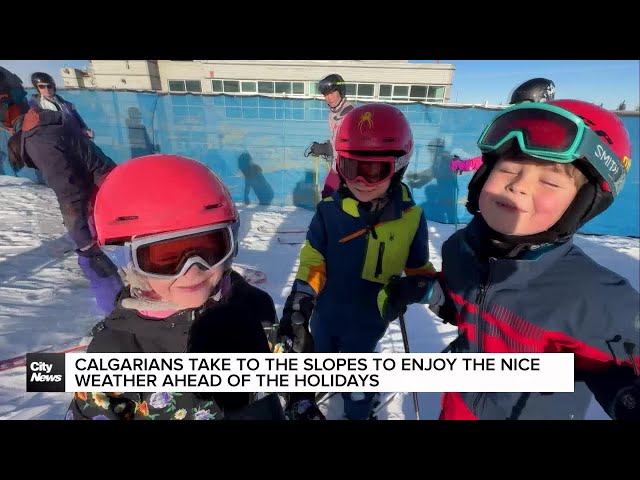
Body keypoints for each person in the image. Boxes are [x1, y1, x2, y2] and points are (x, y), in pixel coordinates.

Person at [433, 99, 640, 420]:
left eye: (549, 181)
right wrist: (434, 292)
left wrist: (623, 389)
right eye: (507, 169)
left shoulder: (599, 298)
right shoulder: (459, 251)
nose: (518, 186)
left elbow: (620, 359)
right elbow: (466, 306)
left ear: (582, 205)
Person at [65, 154, 284, 420]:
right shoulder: (116, 352)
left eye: (209, 248)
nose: (193, 270)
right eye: (165, 257)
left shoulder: (253, 305)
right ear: (125, 259)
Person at [277, 103, 442, 420]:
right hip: (325, 314)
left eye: (375, 170)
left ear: (398, 166)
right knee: (317, 362)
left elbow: (420, 269)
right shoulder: (328, 212)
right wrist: (301, 298)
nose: (362, 181)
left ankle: (359, 410)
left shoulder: (410, 219)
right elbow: (314, 258)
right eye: (352, 168)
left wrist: (418, 288)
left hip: (369, 320)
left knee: (357, 383)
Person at [1, 65, 123, 316]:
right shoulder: (40, 122)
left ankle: (119, 314)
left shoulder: (38, 135)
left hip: (105, 197)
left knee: (95, 260)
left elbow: (69, 194)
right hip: (104, 192)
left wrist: (84, 243)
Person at [450, 78, 556, 174]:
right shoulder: (522, 128)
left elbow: (503, 157)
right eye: (516, 107)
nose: (517, 111)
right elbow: (497, 155)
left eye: (523, 107)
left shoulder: (544, 134)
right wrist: (466, 165)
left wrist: (467, 165)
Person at [306, 74, 355, 199]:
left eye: (332, 93)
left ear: (341, 92)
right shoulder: (333, 113)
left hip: (348, 171)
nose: (329, 98)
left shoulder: (351, 114)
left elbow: (352, 145)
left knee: (339, 202)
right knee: (327, 197)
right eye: (326, 95)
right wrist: (325, 148)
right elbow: (337, 140)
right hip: (336, 167)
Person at [29, 72, 94, 139]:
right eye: (42, 86)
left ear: (53, 86)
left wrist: (86, 131)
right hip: (55, 143)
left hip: (74, 140)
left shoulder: (67, 105)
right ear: (37, 88)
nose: (46, 89)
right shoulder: (33, 107)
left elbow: (80, 123)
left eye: (49, 86)